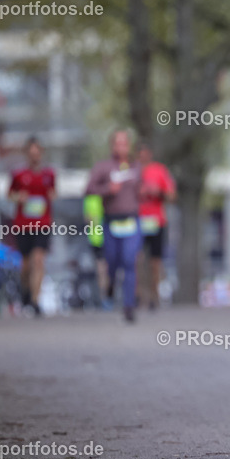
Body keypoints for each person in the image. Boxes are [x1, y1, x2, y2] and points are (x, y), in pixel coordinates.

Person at [85, 129, 142, 323]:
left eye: (124, 143)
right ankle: (110, 285)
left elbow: (143, 190)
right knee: (113, 262)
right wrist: (107, 189)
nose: (121, 147)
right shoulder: (103, 167)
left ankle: (129, 305)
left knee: (129, 260)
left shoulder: (136, 167)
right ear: (112, 146)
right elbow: (89, 188)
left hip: (132, 221)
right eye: (117, 143)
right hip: (111, 222)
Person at [9, 137, 56, 317]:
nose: (34, 156)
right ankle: (25, 292)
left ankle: (36, 301)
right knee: (26, 264)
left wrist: (52, 196)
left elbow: (53, 192)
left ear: (41, 153)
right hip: (23, 225)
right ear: (27, 154)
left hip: (43, 223)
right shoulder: (18, 174)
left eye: (37, 153)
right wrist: (18, 197)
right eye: (31, 153)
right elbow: (10, 194)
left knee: (39, 260)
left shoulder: (49, 174)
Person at [136, 143, 176, 311]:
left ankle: (154, 296)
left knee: (155, 262)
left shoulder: (159, 170)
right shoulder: (132, 171)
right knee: (136, 260)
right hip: (136, 221)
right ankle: (139, 296)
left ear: (150, 154)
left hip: (157, 222)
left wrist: (157, 191)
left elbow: (172, 195)